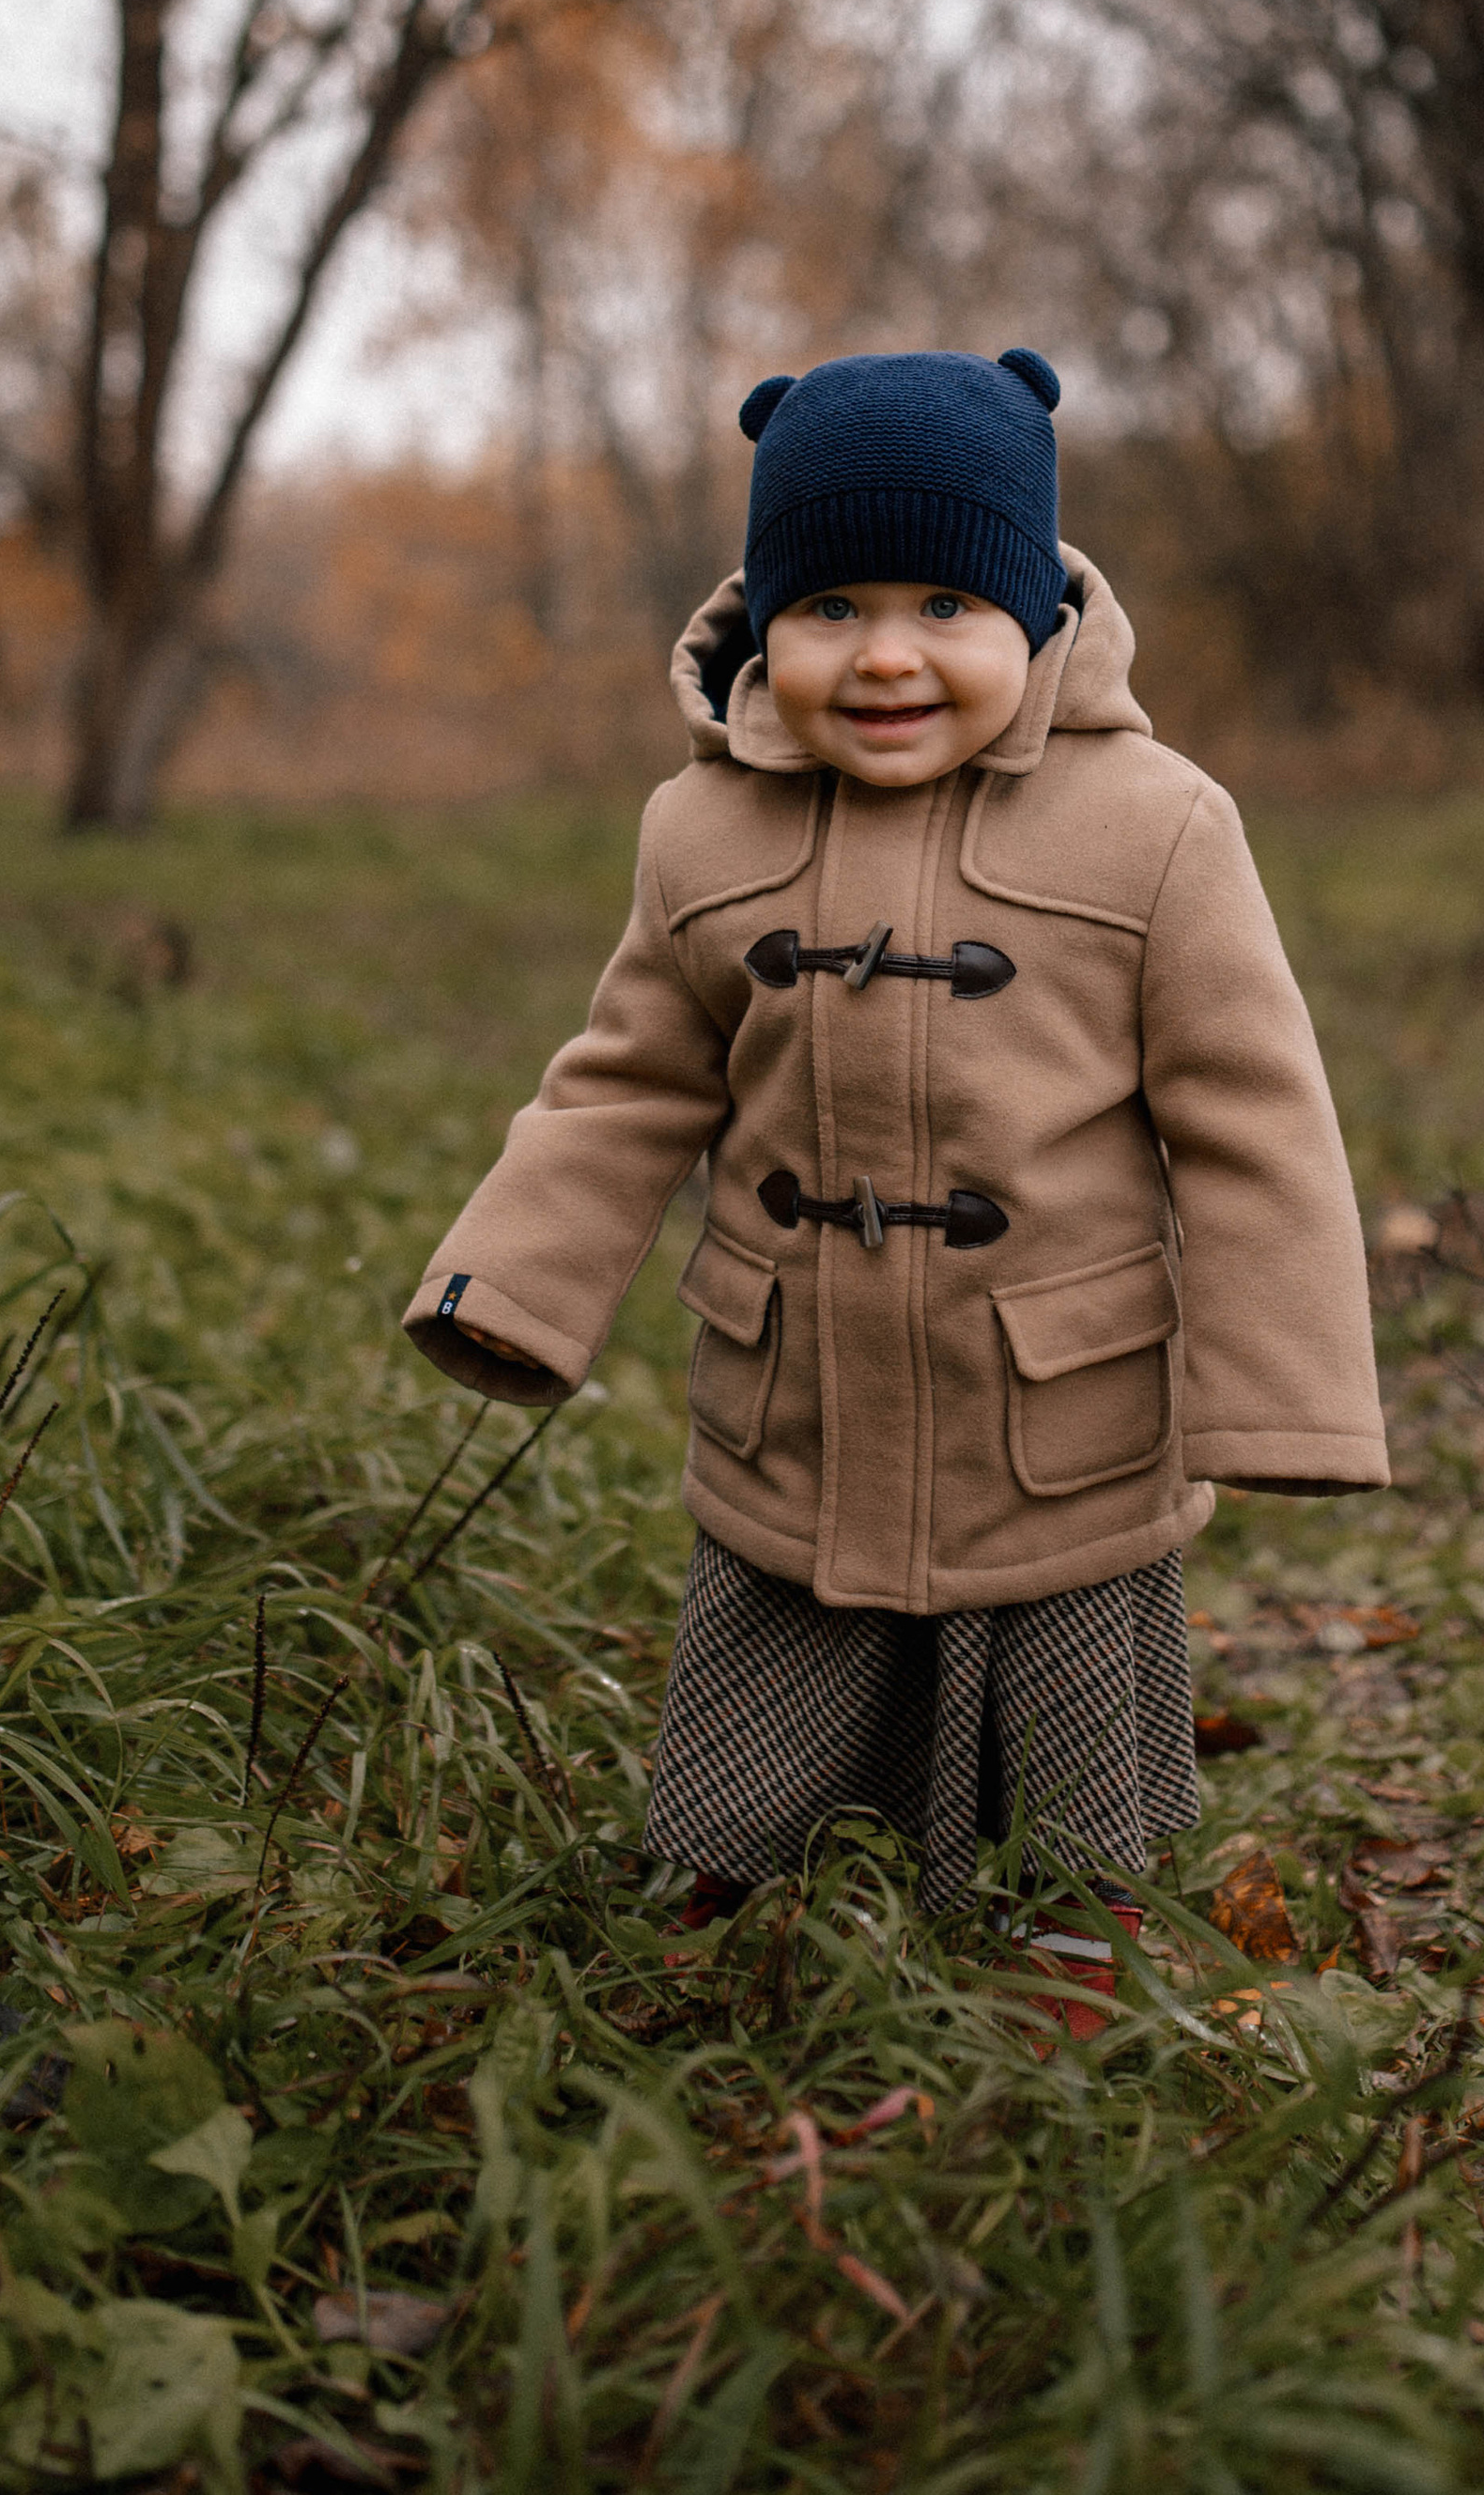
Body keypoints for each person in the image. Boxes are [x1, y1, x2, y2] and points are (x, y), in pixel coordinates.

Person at [402, 347, 1386, 2030]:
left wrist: (1285, 1396)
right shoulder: (701, 835)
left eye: (946, 599)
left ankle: (1077, 1941)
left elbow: (1254, 1114)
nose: (886, 655)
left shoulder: (1156, 828)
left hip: (1052, 1400)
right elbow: (630, 1076)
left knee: (1065, 1697)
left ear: (1036, 616)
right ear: (764, 620)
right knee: (777, 1641)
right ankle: (732, 1896)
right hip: (802, 1380)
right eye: (834, 603)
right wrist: (516, 1284)